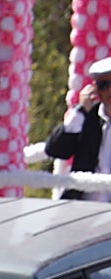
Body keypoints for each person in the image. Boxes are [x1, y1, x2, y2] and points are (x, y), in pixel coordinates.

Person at [44, 56, 111, 201]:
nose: (110, 91)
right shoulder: (87, 118)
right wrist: (80, 111)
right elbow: (54, 150)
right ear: (95, 89)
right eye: (104, 85)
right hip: (82, 208)